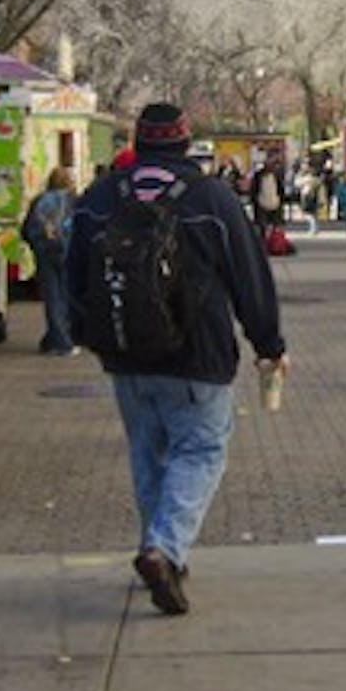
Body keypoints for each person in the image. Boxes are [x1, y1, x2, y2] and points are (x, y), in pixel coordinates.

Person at [66, 103, 287, 616]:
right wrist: (269, 344)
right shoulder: (211, 199)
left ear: (138, 143)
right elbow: (249, 276)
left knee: (148, 452)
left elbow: (72, 272)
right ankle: (163, 550)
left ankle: (162, 550)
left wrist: (86, 333)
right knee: (201, 451)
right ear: (186, 144)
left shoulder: (99, 198)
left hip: (125, 353)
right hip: (198, 353)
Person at [22, 167, 77, 355]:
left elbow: (27, 229)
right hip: (68, 252)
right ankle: (63, 338)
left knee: (52, 296)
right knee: (66, 295)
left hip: (45, 253)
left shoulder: (40, 201)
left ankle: (55, 338)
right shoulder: (73, 201)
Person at [249, 152, 287, 230]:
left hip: (274, 203)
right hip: (262, 203)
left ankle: (274, 240)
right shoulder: (258, 175)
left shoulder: (277, 175)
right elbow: (254, 189)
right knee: (263, 226)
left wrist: (280, 200)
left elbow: (280, 189)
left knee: (275, 227)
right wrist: (255, 200)